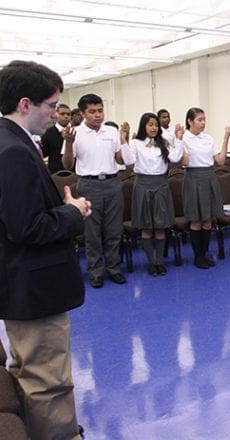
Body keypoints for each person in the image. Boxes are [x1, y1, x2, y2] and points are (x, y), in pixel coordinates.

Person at [0, 60, 91, 440]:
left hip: (22, 285)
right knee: (48, 379)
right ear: (25, 104)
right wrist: (72, 212)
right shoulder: (14, 152)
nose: (56, 115)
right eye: (51, 106)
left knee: (31, 370)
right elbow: (27, 227)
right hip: (34, 288)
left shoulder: (11, 142)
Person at [62, 93, 129, 288]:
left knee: (114, 230)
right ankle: (95, 271)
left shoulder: (111, 132)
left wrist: (124, 139)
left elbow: (120, 160)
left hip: (112, 182)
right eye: (92, 112)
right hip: (88, 184)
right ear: (82, 113)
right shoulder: (73, 133)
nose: (97, 115)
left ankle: (114, 268)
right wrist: (68, 143)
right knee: (92, 232)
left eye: (100, 110)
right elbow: (67, 164)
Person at [121, 113, 184, 275]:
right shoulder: (136, 143)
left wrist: (179, 138)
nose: (154, 127)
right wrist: (124, 141)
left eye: (156, 124)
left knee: (161, 226)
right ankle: (151, 262)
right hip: (142, 185)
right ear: (143, 126)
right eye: (150, 124)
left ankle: (159, 262)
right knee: (147, 227)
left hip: (161, 185)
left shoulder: (163, 142)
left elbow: (176, 158)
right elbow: (128, 161)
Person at [180, 107, 230, 269]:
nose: (203, 123)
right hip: (193, 177)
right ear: (190, 121)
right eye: (199, 120)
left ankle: (205, 253)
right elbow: (185, 162)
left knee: (208, 220)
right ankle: (198, 256)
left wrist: (226, 138)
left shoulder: (208, 138)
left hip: (210, 177)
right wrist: (178, 140)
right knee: (196, 220)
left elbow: (220, 160)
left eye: (204, 119)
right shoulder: (184, 138)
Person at [40, 103, 71, 174]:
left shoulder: (76, 131)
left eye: (68, 114)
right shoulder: (48, 132)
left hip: (74, 172)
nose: (66, 116)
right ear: (56, 115)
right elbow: (44, 153)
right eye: (62, 114)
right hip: (55, 172)